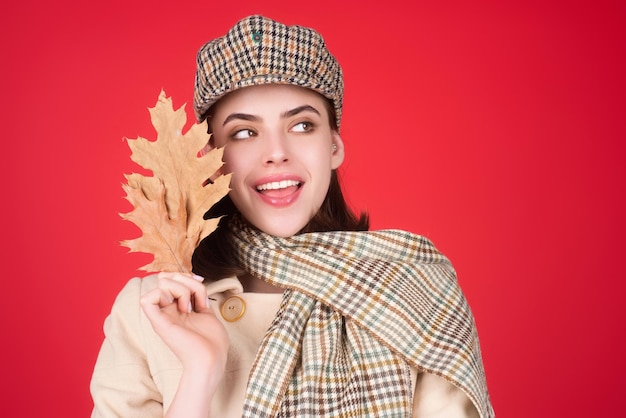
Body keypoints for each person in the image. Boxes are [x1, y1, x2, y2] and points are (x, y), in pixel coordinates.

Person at [90, 15, 494, 418]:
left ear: (333, 146)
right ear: (213, 162)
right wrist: (199, 375)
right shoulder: (154, 309)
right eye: (244, 133)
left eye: (302, 125)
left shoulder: (415, 294)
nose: (276, 152)